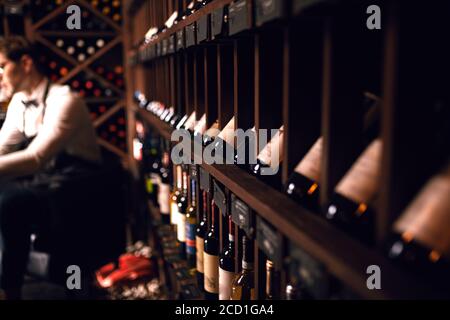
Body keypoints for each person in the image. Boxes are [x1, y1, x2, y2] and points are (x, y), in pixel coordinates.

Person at [0, 37, 102, 300]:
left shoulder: (65, 99)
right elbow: (3, 148)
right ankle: (11, 286)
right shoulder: (18, 101)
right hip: (47, 183)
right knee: (7, 199)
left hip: (78, 187)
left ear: (25, 63)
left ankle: (12, 288)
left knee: (11, 202)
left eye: (2, 66)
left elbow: (36, 157)